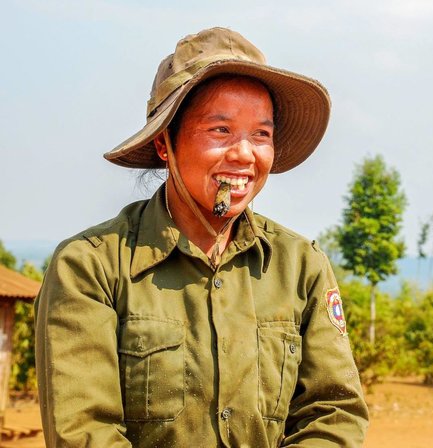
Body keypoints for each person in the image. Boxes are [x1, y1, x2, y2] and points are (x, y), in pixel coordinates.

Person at [35, 27, 369, 447]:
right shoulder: (91, 268)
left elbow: (333, 413)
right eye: (220, 130)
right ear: (164, 143)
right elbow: (85, 433)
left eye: (261, 134)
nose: (244, 154)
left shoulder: (300, 266)